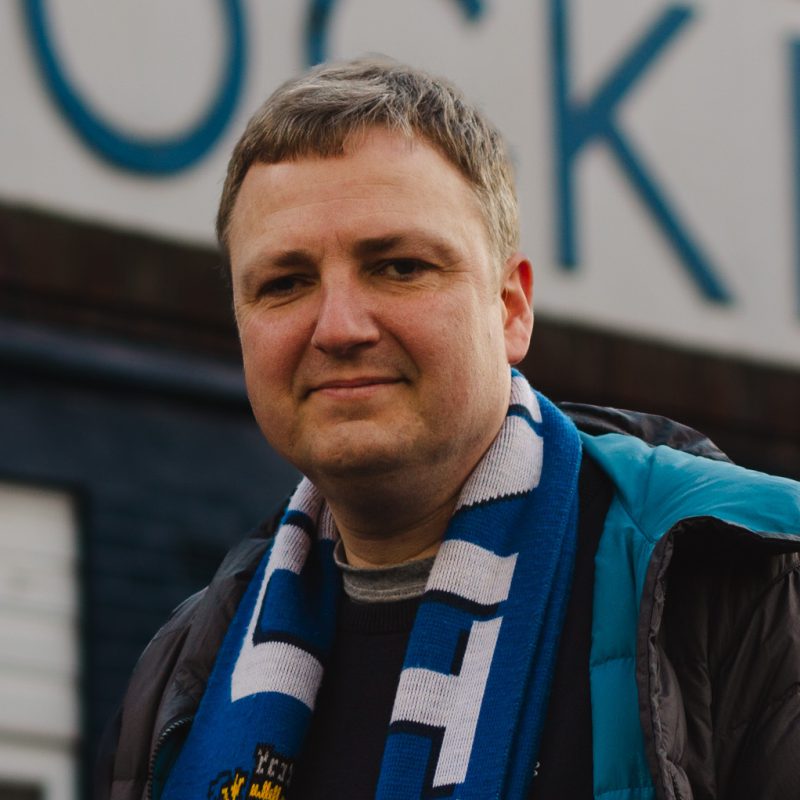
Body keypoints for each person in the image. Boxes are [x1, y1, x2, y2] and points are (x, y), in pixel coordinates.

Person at [97, 58, 800, 800]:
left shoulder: (734, 580)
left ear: (510, 308)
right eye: (285, 283)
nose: (338, 328)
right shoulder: (181, 672)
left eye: (399, 267)